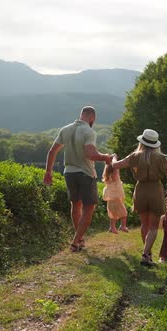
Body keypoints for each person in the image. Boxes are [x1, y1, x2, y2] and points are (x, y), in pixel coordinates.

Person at [43, 106, 112, 252]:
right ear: (92, 117)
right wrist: (106, 157)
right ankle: (75, 242)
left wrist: (48, 171)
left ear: (81, 115)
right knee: (89, 208)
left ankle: (79, 239)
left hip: (69, 172)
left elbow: (52, 151)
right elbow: (90, 154)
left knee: (76, 205)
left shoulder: (65, 129)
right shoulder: (89, 131)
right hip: (85, 173)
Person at [112, 129, 167, 266]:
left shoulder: (135, 156)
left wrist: (113, 157)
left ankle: (148, 254)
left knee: (144, 224)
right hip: (155, 190)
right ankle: (145, 254)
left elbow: (115, 165)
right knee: (154, 226)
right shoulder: (161, 158)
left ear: (142, 141)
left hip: (140, 189)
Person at [102, 155, 129, 234]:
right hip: (116, 198)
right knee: (124, 213)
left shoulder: (107, 177)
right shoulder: (115, 177)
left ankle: (112, 227)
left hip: (110, 199)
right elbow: (115, 165)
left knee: (113, 214)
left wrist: (108, 162)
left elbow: (109, 167)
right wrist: (115, 158)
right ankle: (122, 226)